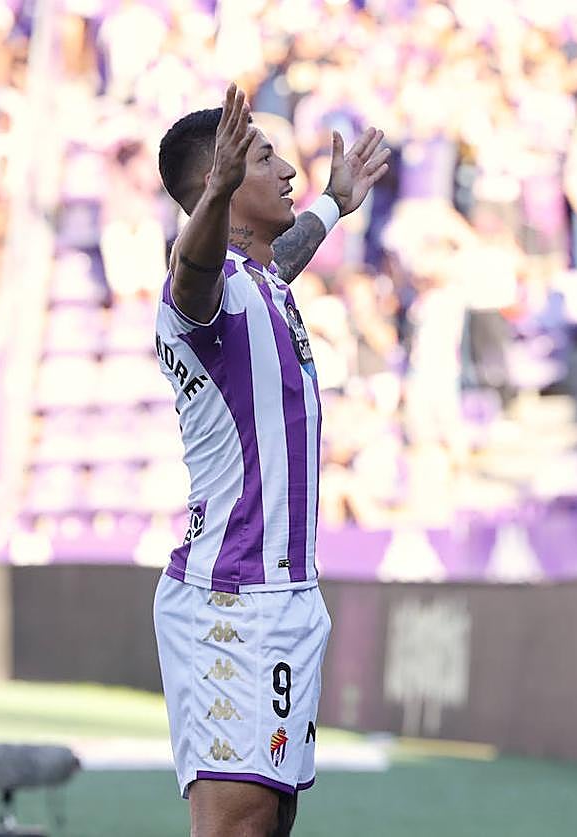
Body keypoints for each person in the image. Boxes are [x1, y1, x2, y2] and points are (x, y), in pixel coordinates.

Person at [150, 84, 389, 837]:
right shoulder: (200, 293)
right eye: (263, 157)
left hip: (284, 598)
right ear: (216, 182)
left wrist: (333, 205)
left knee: (269, 825)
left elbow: (280, 254)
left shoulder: (261, 280)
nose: (287, 169)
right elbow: (193, 266)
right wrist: (216, 193)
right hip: (232, 601)